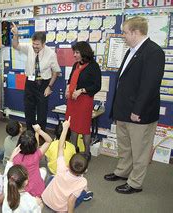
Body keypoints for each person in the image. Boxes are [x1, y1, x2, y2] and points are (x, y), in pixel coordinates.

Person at [104, 16, 165, 194]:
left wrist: (137, 110)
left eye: (124, 32)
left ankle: (135, 183)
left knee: (140, 150)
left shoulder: (153, 52)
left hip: (139, 114)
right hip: (123, 111)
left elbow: (150, 85)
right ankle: (123, 171)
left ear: (136, 32)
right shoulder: (131, 50)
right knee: (125, 146)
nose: (123, 36)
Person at [11, 22, 61, 131]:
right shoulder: (29, 48)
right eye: (33, 43)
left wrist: (49, 86)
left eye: (37, 44)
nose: (35, 46)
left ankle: (41, 134)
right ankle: (30, 134)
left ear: (43, 44)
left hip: (43, 83)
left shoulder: (51, 54)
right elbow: (15, 45)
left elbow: (55, 72)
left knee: (42, 112)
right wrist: (16, 34)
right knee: (29, 110)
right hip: (30, 82)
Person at [42, 118, 93, 213]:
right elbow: (71, 201)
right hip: (60, 208)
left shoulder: (61, 167)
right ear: (85, 171)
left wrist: (65, 128)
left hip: (46, 201)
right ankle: (85, 195)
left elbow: (60, 146)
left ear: (68, 165)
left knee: (52, 178)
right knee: (83, 192)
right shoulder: (82, 181)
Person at [65, 41, 101, 159]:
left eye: (76, 52)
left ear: (84, 53)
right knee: (72, 126)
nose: (74, 55)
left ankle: (87, 153)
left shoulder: (93, 66)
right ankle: (73, 151)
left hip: (84, 100)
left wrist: (81, 90)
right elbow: (70, 80)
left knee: (84, 128)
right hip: (72, 100)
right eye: (73, 52)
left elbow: (97, 86)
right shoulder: (76, 65)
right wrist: (67, 88)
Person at [13, 124, 52, 197]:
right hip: (37, 188)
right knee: (43, 169)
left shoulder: (15, 157)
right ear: (34, 145)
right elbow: (49, 141)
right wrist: (39, 131)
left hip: (22, 188)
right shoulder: (37, 154)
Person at [2, 145, 43, 212]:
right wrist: (36, 203)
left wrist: (12, 156)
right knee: (41, 204)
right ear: (26, 182)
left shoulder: (7, 188)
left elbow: (7, 171)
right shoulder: (29, 200)